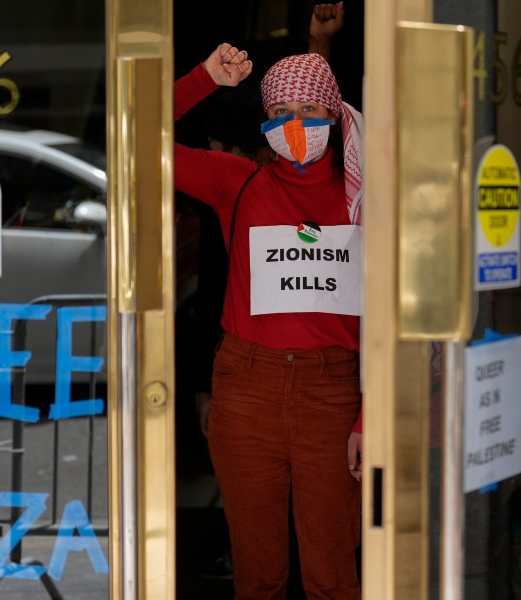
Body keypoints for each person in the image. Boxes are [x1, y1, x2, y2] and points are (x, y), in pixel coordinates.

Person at [174, 21, 364, 600]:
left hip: (334, 392)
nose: (295, 123)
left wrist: (368, 415)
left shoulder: (365, 195)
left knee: (333, 575)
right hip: (246, 386)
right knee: (258, 577)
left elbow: (387, 319)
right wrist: (205, 79)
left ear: (334, 116)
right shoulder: (238, 182)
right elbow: (131, 139)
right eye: (281, 110)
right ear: (264, 120)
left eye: (310, 109)